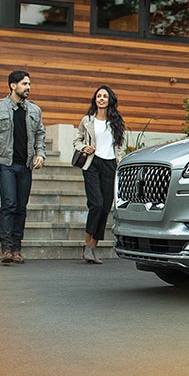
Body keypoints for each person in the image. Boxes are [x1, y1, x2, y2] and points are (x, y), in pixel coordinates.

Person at [0, 70, 46, 264]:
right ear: (13, 85)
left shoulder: (34, 110)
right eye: (24, 84)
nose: (28, 87)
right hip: (5, 164)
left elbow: (40, 135)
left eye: (29, 84)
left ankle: (17, 249)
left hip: (25, 165)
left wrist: (40, 154)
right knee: (9, 204)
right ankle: (7, 248)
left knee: (21, 207)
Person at [74, 85, 125, 264]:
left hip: (110, 165)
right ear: (95, 100)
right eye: (98, 96)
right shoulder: (87, 120)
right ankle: (87, 245)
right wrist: (84, 147)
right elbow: (77, 140)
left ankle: (93, 247)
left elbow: (119, 146)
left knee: (105, 208)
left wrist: (120, 162)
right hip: (92, 164)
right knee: (96, 204)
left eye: (104, 96)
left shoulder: (116, 122)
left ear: (109, 99)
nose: (101, 99)